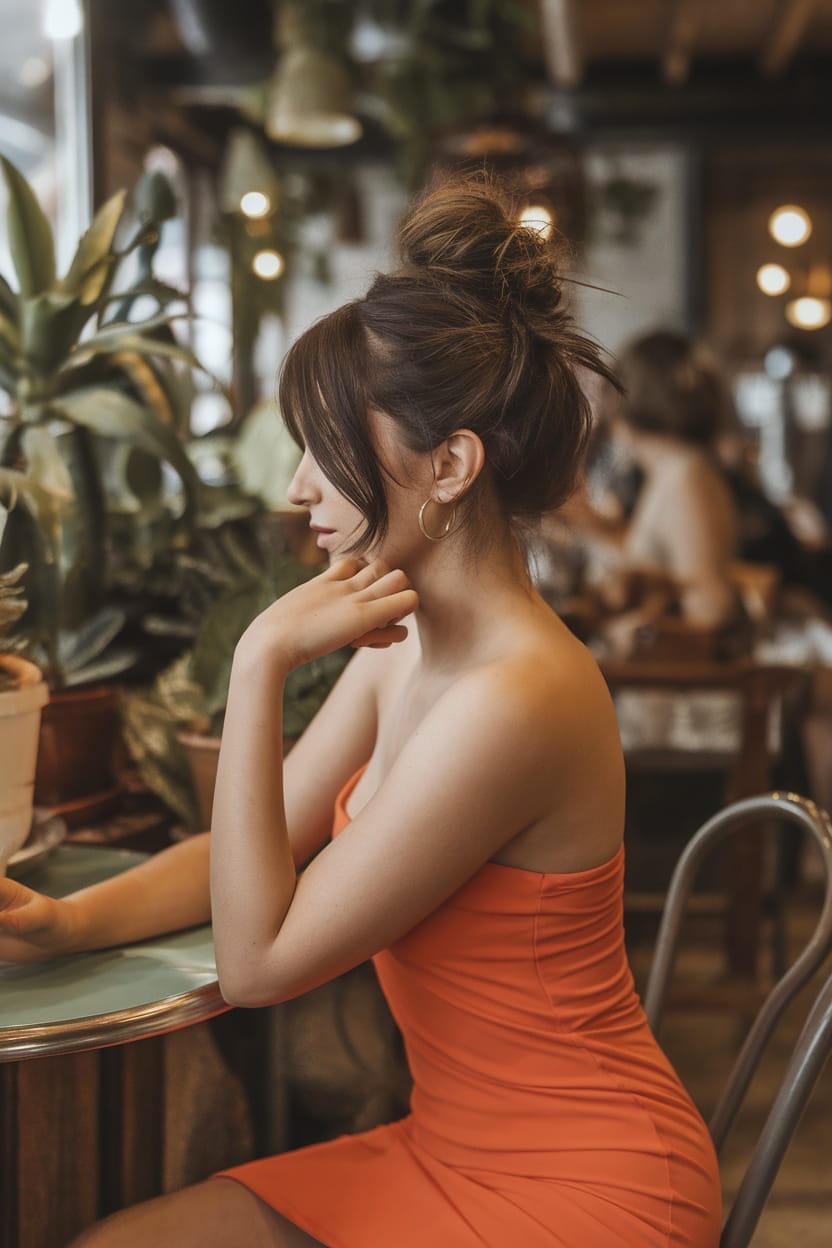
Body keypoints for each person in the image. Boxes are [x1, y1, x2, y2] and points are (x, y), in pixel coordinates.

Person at [0, 175, 721, 1247]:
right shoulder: (409, 643)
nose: (296, 488)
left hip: (586, 1187)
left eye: (324, 447)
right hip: (450, 1146)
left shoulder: (515, 696)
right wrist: (67, 923)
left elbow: (257, 966)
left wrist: (256, 663)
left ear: (450, 465)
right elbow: (249, 850)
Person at [556, 330, 743, 659]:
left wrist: (628, 632)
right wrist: (589, 529)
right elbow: (663, 571)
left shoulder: (685, 476)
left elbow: (711, 609)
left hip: (677, 690)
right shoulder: (676, 470)